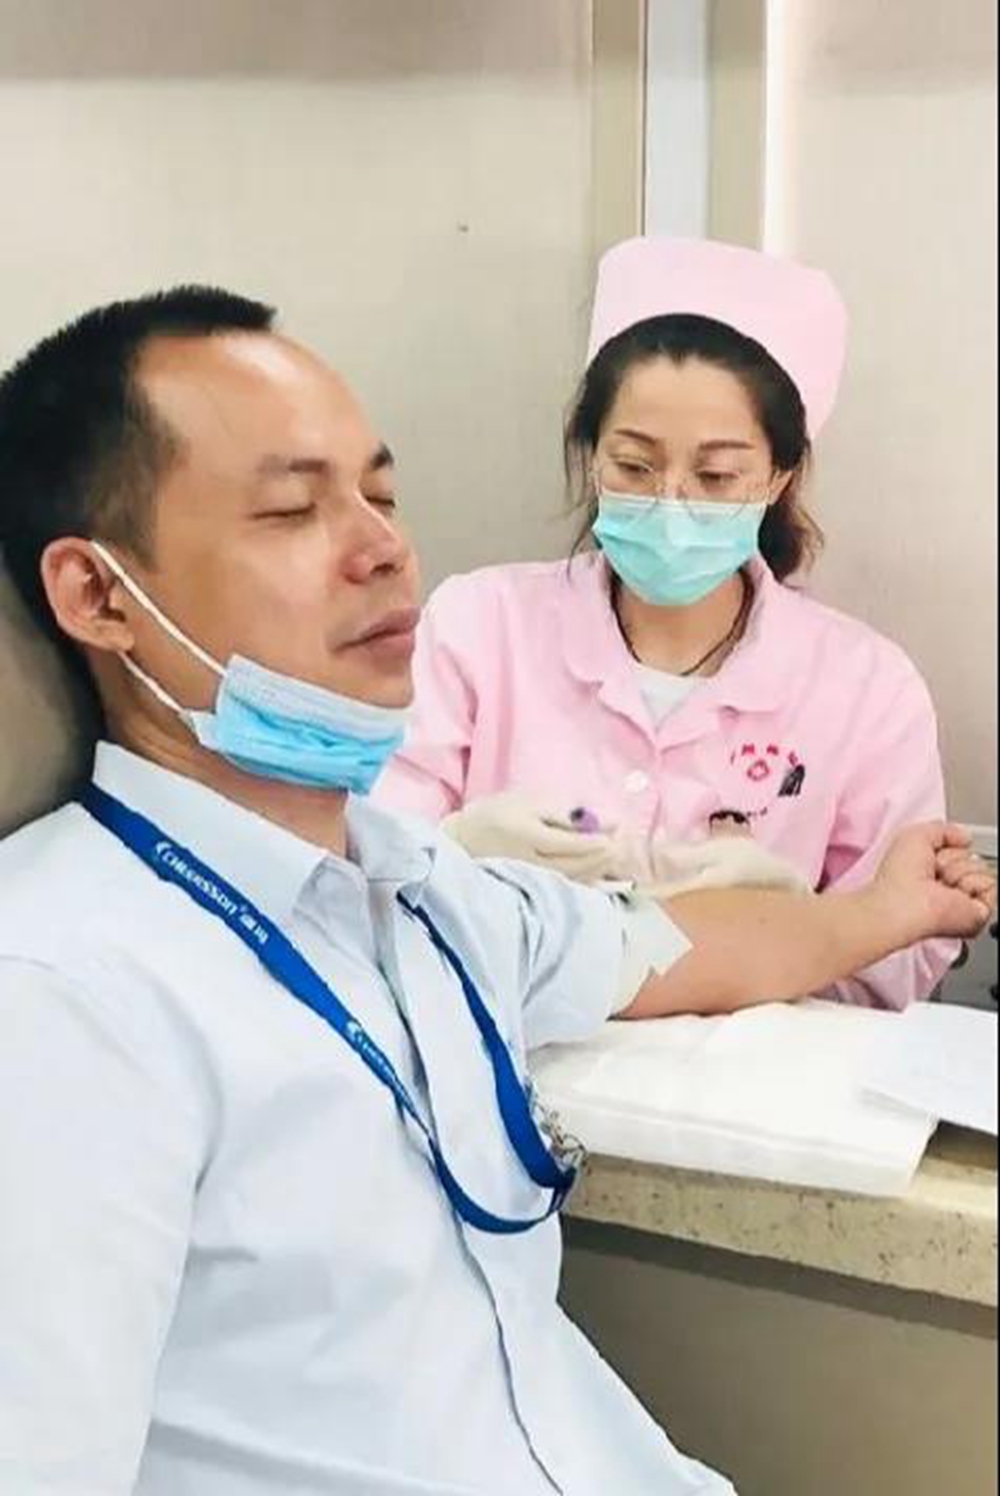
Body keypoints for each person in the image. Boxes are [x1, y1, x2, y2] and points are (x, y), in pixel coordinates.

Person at [0, 289, 992, 1496]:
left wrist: (878, 911)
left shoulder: (416, 889)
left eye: (380, 494)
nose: (383, 548)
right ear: (100, 595)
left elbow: (668, 944)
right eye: (292, 508)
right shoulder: (63, 996)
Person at [374, 236, 960, 1008]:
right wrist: (454, 851)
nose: (671, 501)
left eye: (716, 475)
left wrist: (807, 925)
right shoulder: (476, 627)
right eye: (634, 465)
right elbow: (361, 877)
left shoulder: (866, 687)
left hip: (757, 1078)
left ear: (778, 476)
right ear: (591, 457)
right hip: (500, 1053)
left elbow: (901, 963)